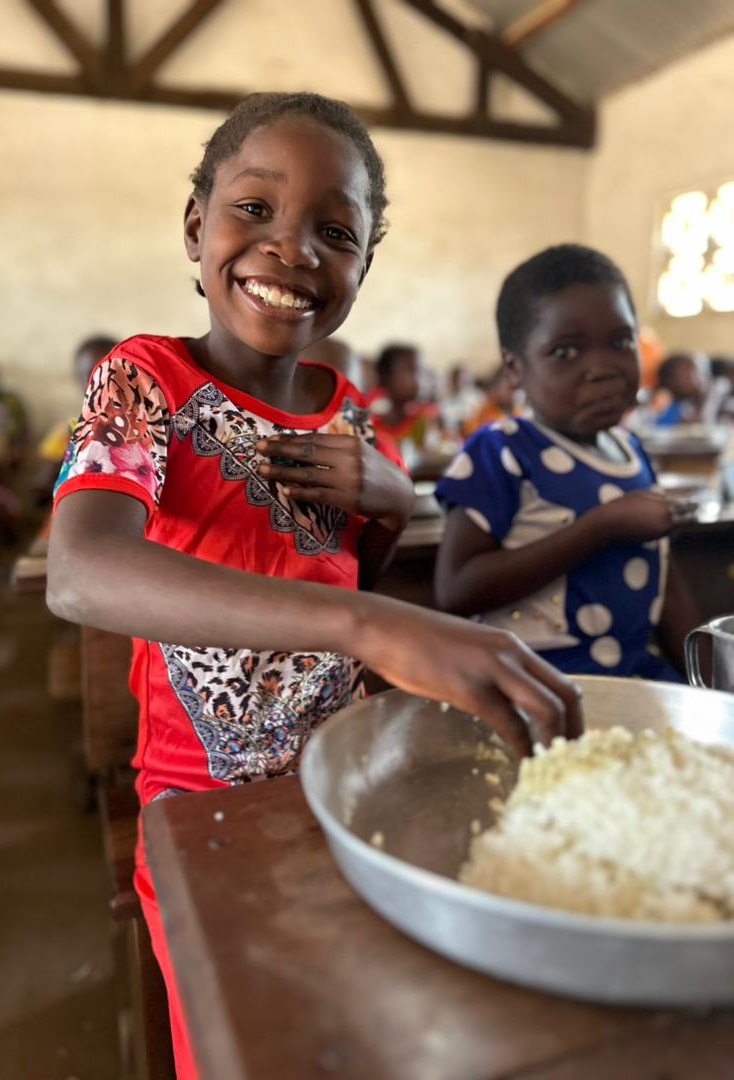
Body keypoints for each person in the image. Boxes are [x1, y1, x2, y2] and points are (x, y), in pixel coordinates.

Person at [46, 93, 581, 1079]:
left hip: (350, 779)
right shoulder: (144, 382)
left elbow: (347, 573)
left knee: (387, 1031)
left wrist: (387, 499)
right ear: (196, 226)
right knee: (254, 1043)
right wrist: (368, 625)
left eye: (335, 232)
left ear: (362, 270)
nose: (290, 250)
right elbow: (81, 572)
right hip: (206, 805)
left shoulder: (345, 408)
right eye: (254, 210)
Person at [435, 243, 699, 682]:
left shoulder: (632, 451)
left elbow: (665, 584)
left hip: (633, 680)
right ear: (515, 370)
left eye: (620, 342)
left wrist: (707, 683)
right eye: (565, 352)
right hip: (538, 685)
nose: (601, 368)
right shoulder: (503, 450)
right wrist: (602, 526)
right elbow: (456, 589)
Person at [34, 335, 118, 503]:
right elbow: (42, 486)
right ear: (78, 379)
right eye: (93, 374)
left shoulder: (142, 431)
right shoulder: (67, 433)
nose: (103, 381)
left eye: (112, 372)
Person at [369, 342, 441, 460]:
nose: (420, 380)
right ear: (387, 376)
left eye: (421, 372)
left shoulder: (424, 418)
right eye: (411, 370)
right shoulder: (369, 423)